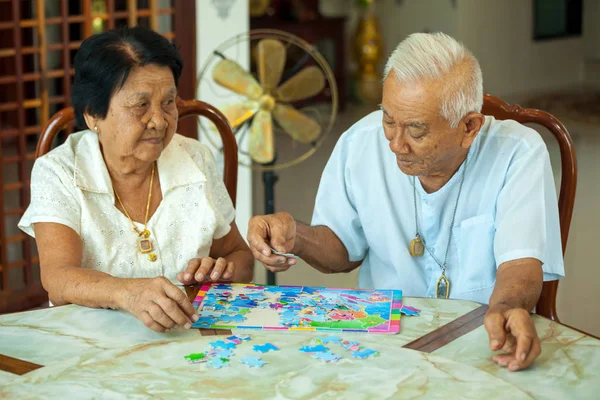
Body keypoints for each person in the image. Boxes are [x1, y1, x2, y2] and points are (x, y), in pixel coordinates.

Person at [247, 32, 564, 371]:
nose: (396, 144)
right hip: (382, 346)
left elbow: (521, 264)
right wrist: (295, 234)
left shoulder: (518, 152)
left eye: (416, 130)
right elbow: (340, 250)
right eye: (388, 120)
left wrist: (506, 309)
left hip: (483, 340)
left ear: (469, 127)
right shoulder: (360, 143)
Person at [18, 26, 253, 333]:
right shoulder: (59, 171)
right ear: (93, 114)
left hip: (190, 340)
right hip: (94, 344)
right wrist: (126, 292)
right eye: (140, 105)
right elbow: (58, 277)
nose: (159, 120)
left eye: (168, 103)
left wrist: (222, 271)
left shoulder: (195, 158)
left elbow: (241, 257)